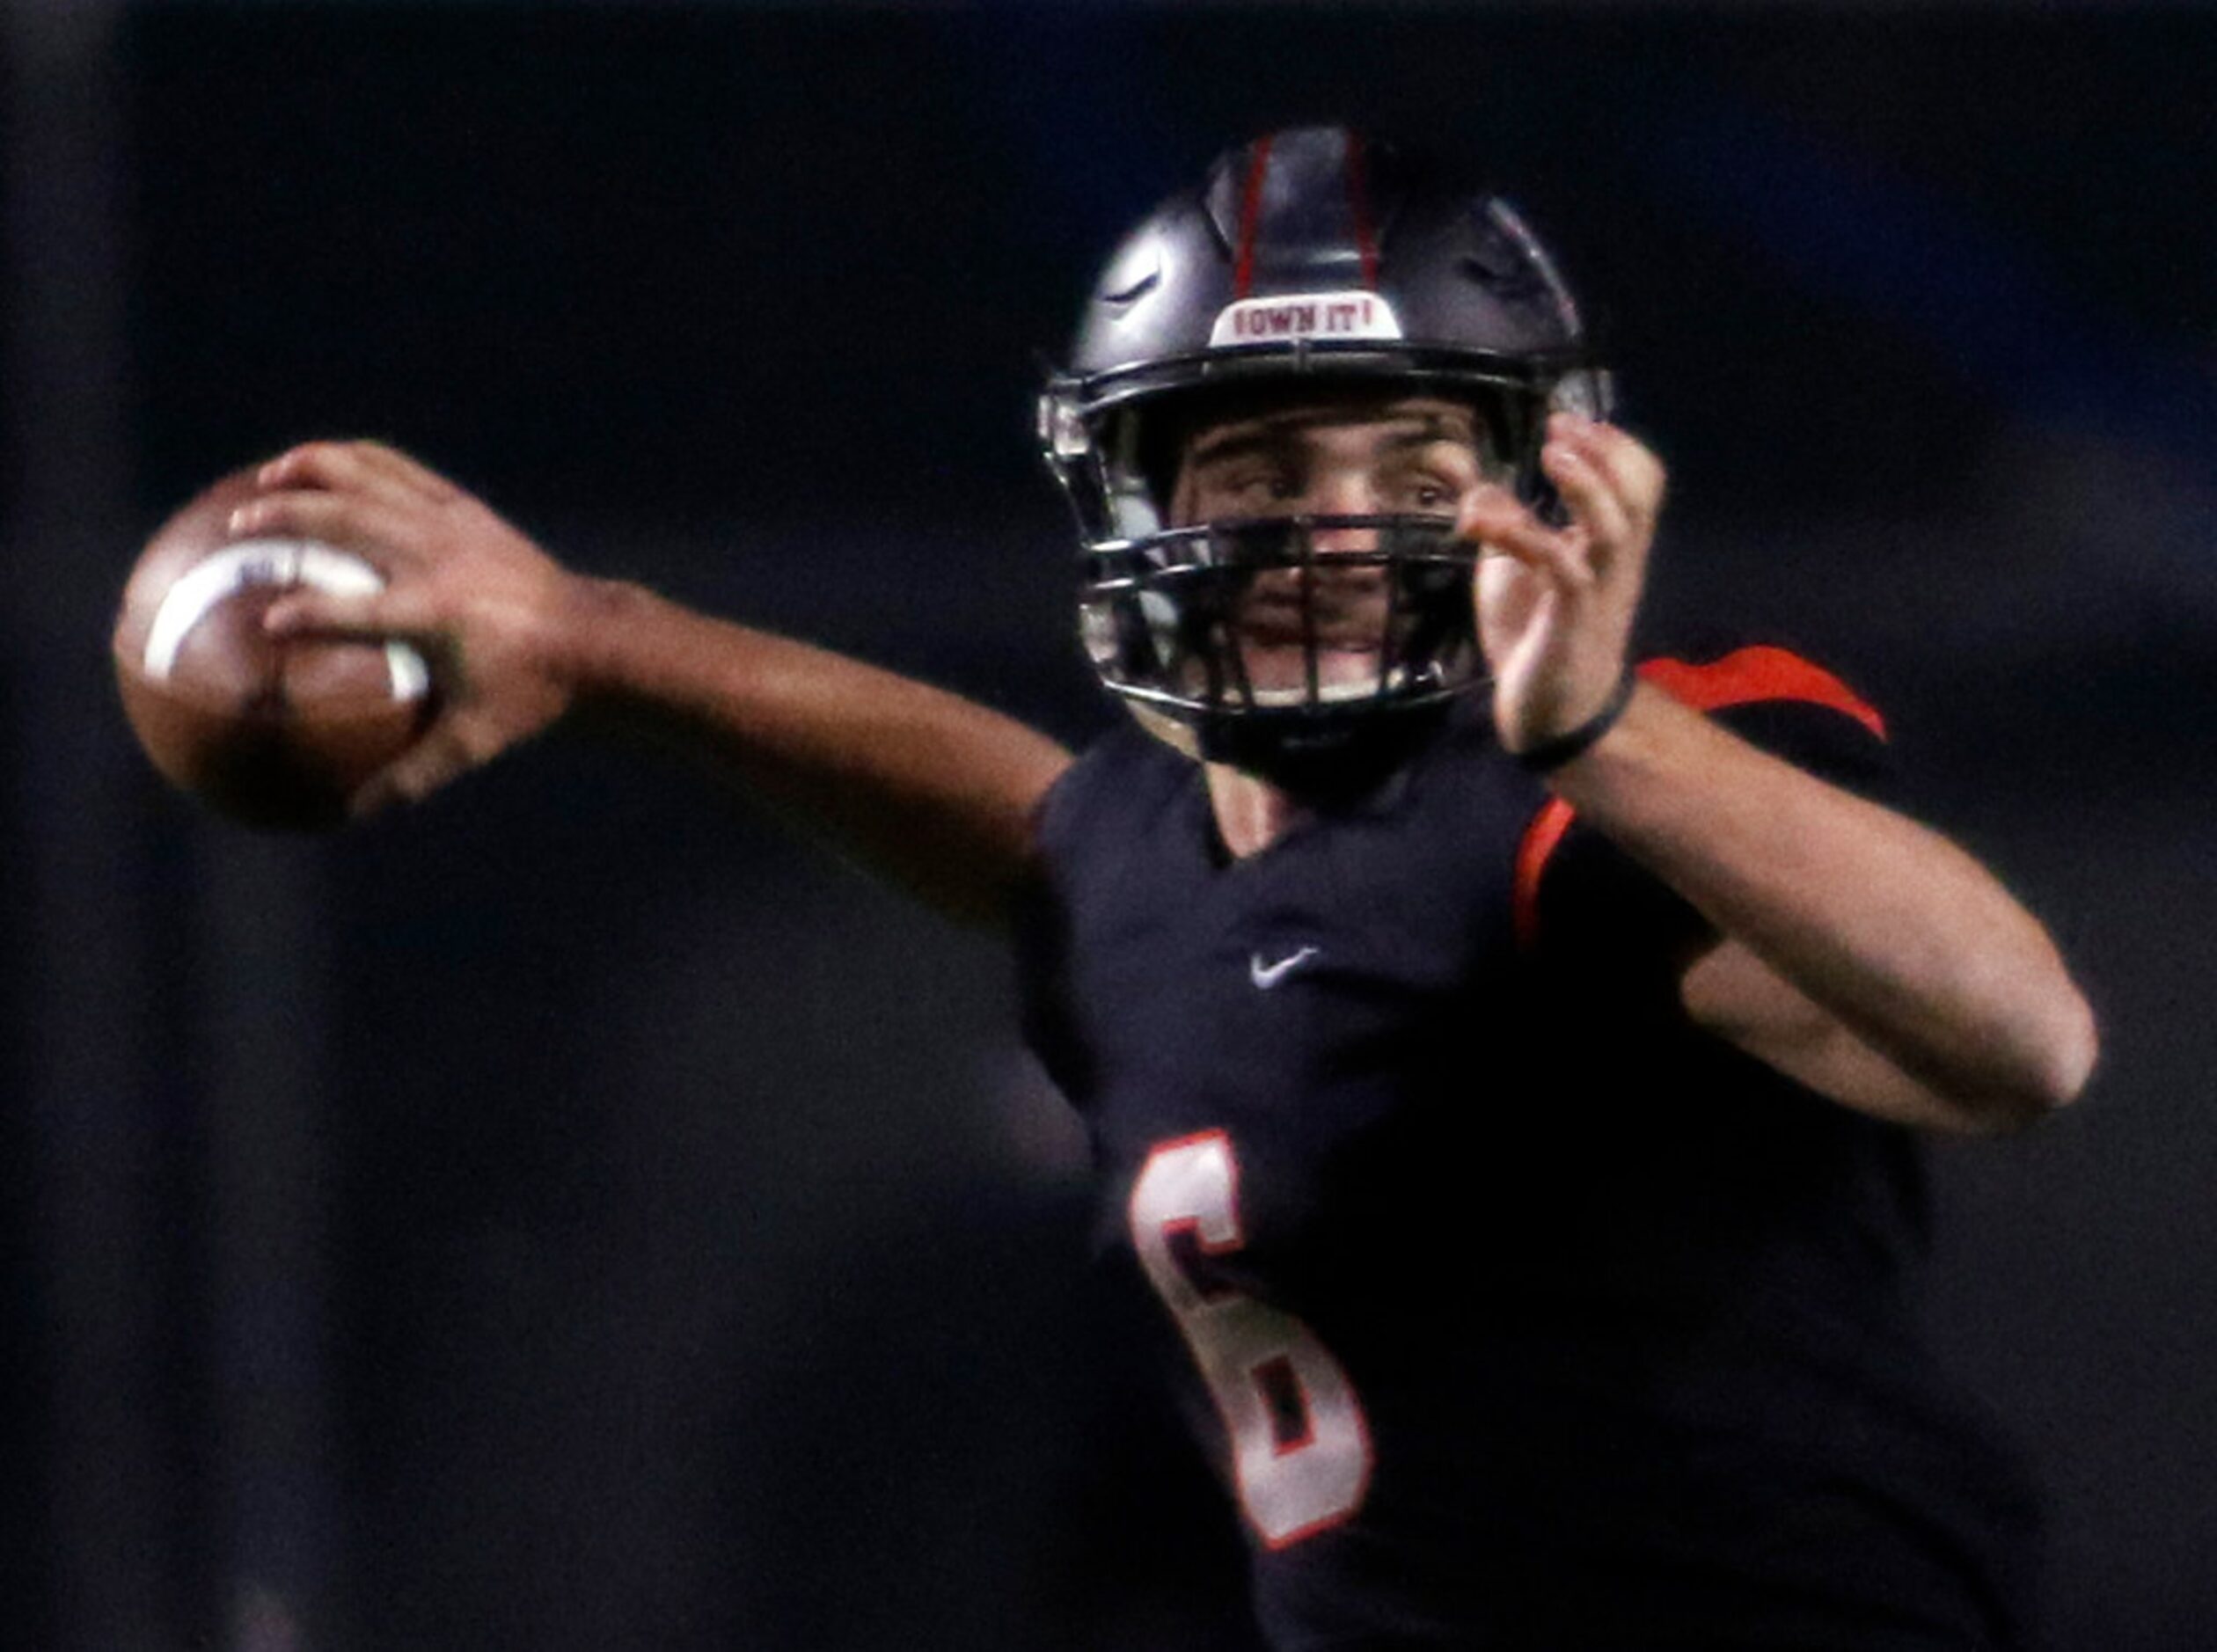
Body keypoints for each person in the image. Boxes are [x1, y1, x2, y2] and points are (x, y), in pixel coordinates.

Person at [227, 127, 2095, 1649]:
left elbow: (2020, 1038)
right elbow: (1046, 836)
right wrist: (591, 635)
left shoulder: (1633, 781)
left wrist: (1603, 730)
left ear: (1546, 481)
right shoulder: (1148, 862)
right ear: (1136, 500)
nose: (1341, 529)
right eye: (1266, 466)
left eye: (1420, 463)